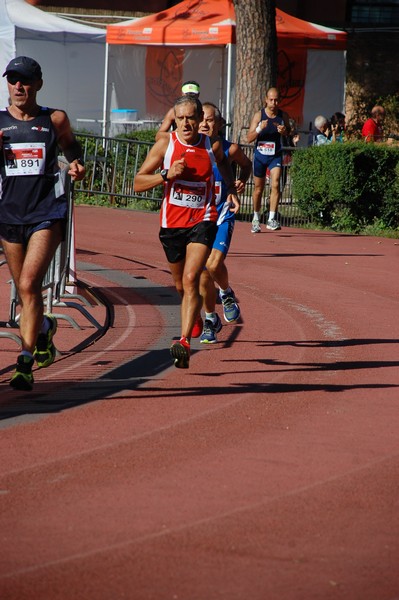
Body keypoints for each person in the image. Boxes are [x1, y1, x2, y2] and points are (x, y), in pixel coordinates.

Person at [134, 95, 239, 369]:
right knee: (181, 285)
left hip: (202, 220)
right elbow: (137, 182)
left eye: (190, 118)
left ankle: (182, 342)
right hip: (172, 226)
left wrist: (230, 190)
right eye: (179, 118)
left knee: (193, 277)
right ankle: (193, 320)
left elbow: (226, 164)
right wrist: (165, 175)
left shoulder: (211, 146)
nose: (185, 123)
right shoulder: (165, 144)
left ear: (200, 118)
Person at [0, 56, 85, 391]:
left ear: (38, 84)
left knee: (29, 283)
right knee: (26, 291)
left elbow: (73, 150)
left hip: (46, 213)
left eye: (25, 80)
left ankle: (24, 360)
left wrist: (77, 165)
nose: (19, 87)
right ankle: (45, 329)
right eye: (13, 80)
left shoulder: (54, 119)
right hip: (9, 214)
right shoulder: (1, 123)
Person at [198, 102, 252, 344]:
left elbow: (247, 165)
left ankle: (226, 292)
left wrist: (240, 182)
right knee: (202, 273)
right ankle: (210, 319)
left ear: (219, 124)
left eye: (210, 120)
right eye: (201, 119)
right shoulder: (192, 150)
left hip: (223, 212)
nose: (204, 124)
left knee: (213, 263)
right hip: (198, 217)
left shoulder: (230, 150)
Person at [247, 87, 290, 233]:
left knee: (276, 183)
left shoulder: (283, 115)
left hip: (275, 155)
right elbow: (248, 138)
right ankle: (256, 218)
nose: (274, 103)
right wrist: (259, 129)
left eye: (276, 100)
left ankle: (271, 218)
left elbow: (290, 131)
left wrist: (285, 132)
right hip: (260, 156)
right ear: (266, 100)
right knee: (258, 189)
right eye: (271, 100)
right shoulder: (259, 116)